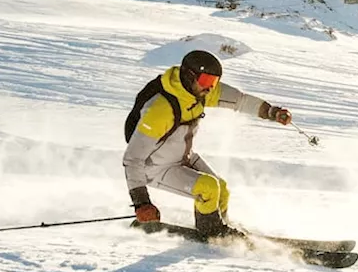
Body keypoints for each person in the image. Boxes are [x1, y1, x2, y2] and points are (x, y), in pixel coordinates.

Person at [123, 49, 293, 239]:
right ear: (189, 76)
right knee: (208, 187)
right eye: (206, 81)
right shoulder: (160, 109)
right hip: (156, 167)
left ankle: (221, 226)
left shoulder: (198, 92)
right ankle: (213, 234)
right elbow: (133, 158)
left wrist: (271, 112)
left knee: (221, 189)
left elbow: (240, 100)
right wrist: (142, 202)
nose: (210, 88)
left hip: (182, 155)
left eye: (214, 82)